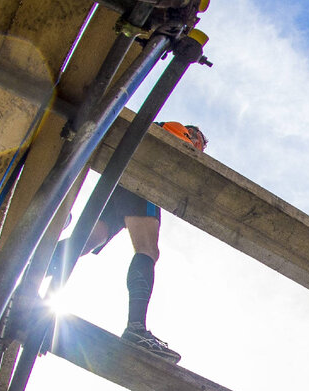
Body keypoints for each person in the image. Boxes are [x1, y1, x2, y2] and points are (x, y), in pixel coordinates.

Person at [53, 121, 208, 364]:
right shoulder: (180, 131)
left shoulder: (167, 129)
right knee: (148, 249)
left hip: (119, 180)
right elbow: (179, 152)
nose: (200, 148)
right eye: (200, 144)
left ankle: (28, 264)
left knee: (86, 242)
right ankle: (136, 328)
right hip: (143, 177)